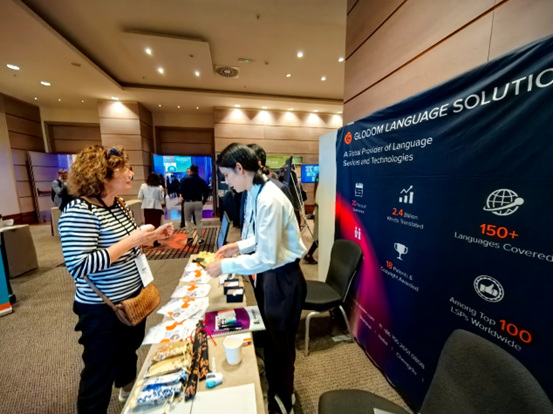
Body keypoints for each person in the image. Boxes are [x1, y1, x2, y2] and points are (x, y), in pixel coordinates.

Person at [58, 145, 174, 414]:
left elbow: (128, 245)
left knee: (128, 350)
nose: (131, 173)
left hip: (133, 297)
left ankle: (127, 387)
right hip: (102, 308)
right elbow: (79, 266)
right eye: (124, 169)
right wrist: (132, 240)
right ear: (101, 175)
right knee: (99, 369)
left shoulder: (118, 205)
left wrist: (152, 237)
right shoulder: (78, 211)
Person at [206, 144, 306, 414]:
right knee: (272, 339)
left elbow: (267, 256)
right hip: (272, 276)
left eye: (227, 175)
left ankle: (283, 401)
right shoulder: (258, 191)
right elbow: (262, 237)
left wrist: (226, 265)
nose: (227, 182)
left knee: (281, 346)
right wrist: (237, 246)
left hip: (283, 279)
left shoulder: (269, 198)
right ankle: (276, 388)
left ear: (240, 169)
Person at [179, 164, 209, 244]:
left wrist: (185, 197)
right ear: (198, 171)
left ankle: (190, 237)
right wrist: (203, 201)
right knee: (199, 221)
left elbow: (181, 191)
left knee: (187, 220)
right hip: (198, 202)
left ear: (191, 171)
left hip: (188, 202)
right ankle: (200, 238)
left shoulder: (185, 180)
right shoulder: (201, 181)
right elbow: (206, 192)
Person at [138, 173, 165, 247]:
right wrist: (162, 192)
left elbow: (140, 196)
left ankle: (145, 241)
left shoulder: (143, 186)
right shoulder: (159, 187)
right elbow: (161, 198)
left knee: (147, 224)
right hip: (156, 208)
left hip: (147, 207)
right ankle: (155, 241)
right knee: (156, 225)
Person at [304, 174, 319, 264]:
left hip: (319, 210)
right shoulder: (322, 179)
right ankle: (309, 255)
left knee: (319, 235)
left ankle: (309, 254)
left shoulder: (318, 179)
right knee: (319, 236)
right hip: (321, 211)